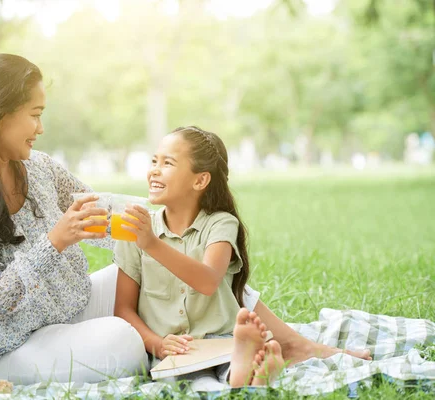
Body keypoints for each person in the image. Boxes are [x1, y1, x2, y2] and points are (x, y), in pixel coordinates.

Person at [0, 53, 148, 385]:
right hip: (13, 349)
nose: (41, 128)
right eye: (34, 115)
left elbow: (99, 218)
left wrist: (167, 223)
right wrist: (55, 241)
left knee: (157, 272)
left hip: (72, 308)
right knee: (124, 340)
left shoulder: (39, 167)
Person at [113, 126, 370, 388]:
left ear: (200, 180)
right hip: (174, 350)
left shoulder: (220, 224)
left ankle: (247, 371)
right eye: (154, 161)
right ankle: (247, 379)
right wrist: (157, 344)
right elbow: (123, 309)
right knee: (181, 379)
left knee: (232, 361)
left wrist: (152, 244)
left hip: (222, 340)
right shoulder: (135, 231)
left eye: (168, 163)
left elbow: (208, 280)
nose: (154, 170)